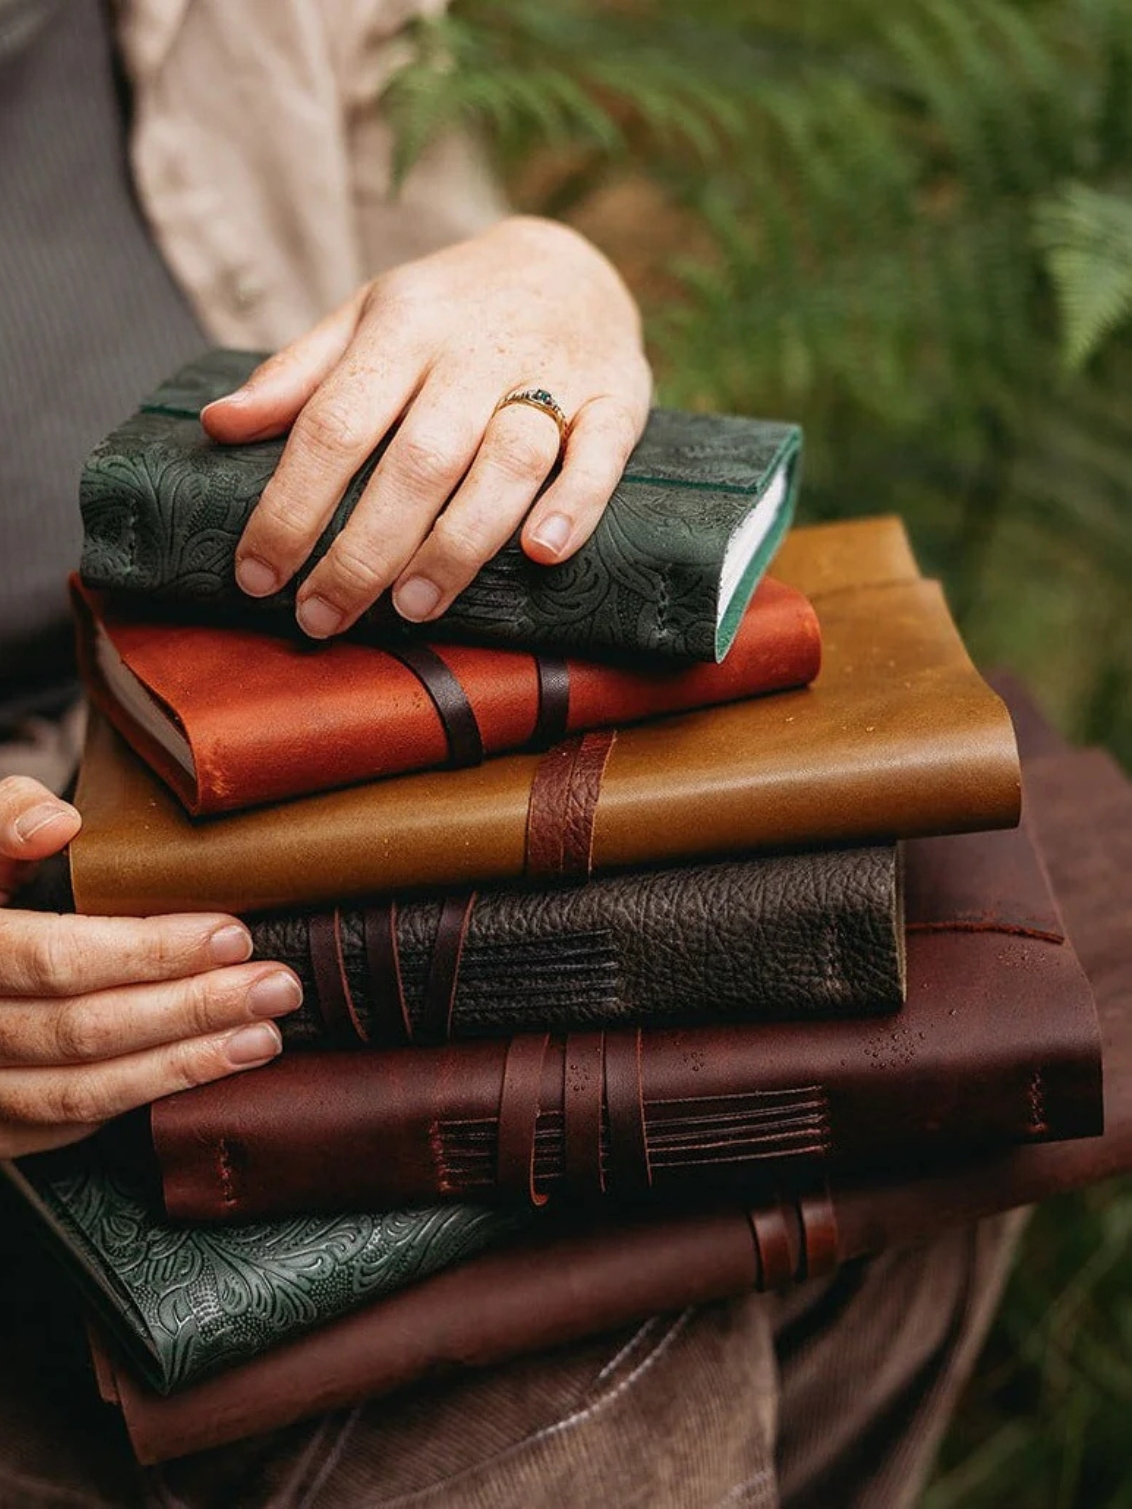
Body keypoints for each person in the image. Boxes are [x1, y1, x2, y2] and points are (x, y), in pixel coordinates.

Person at [0, 2, 1024, 1504]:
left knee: (939, 1085)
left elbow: (475, 305)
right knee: (598, 1384)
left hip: (347, 735)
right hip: (82, 923)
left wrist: (556, 280)